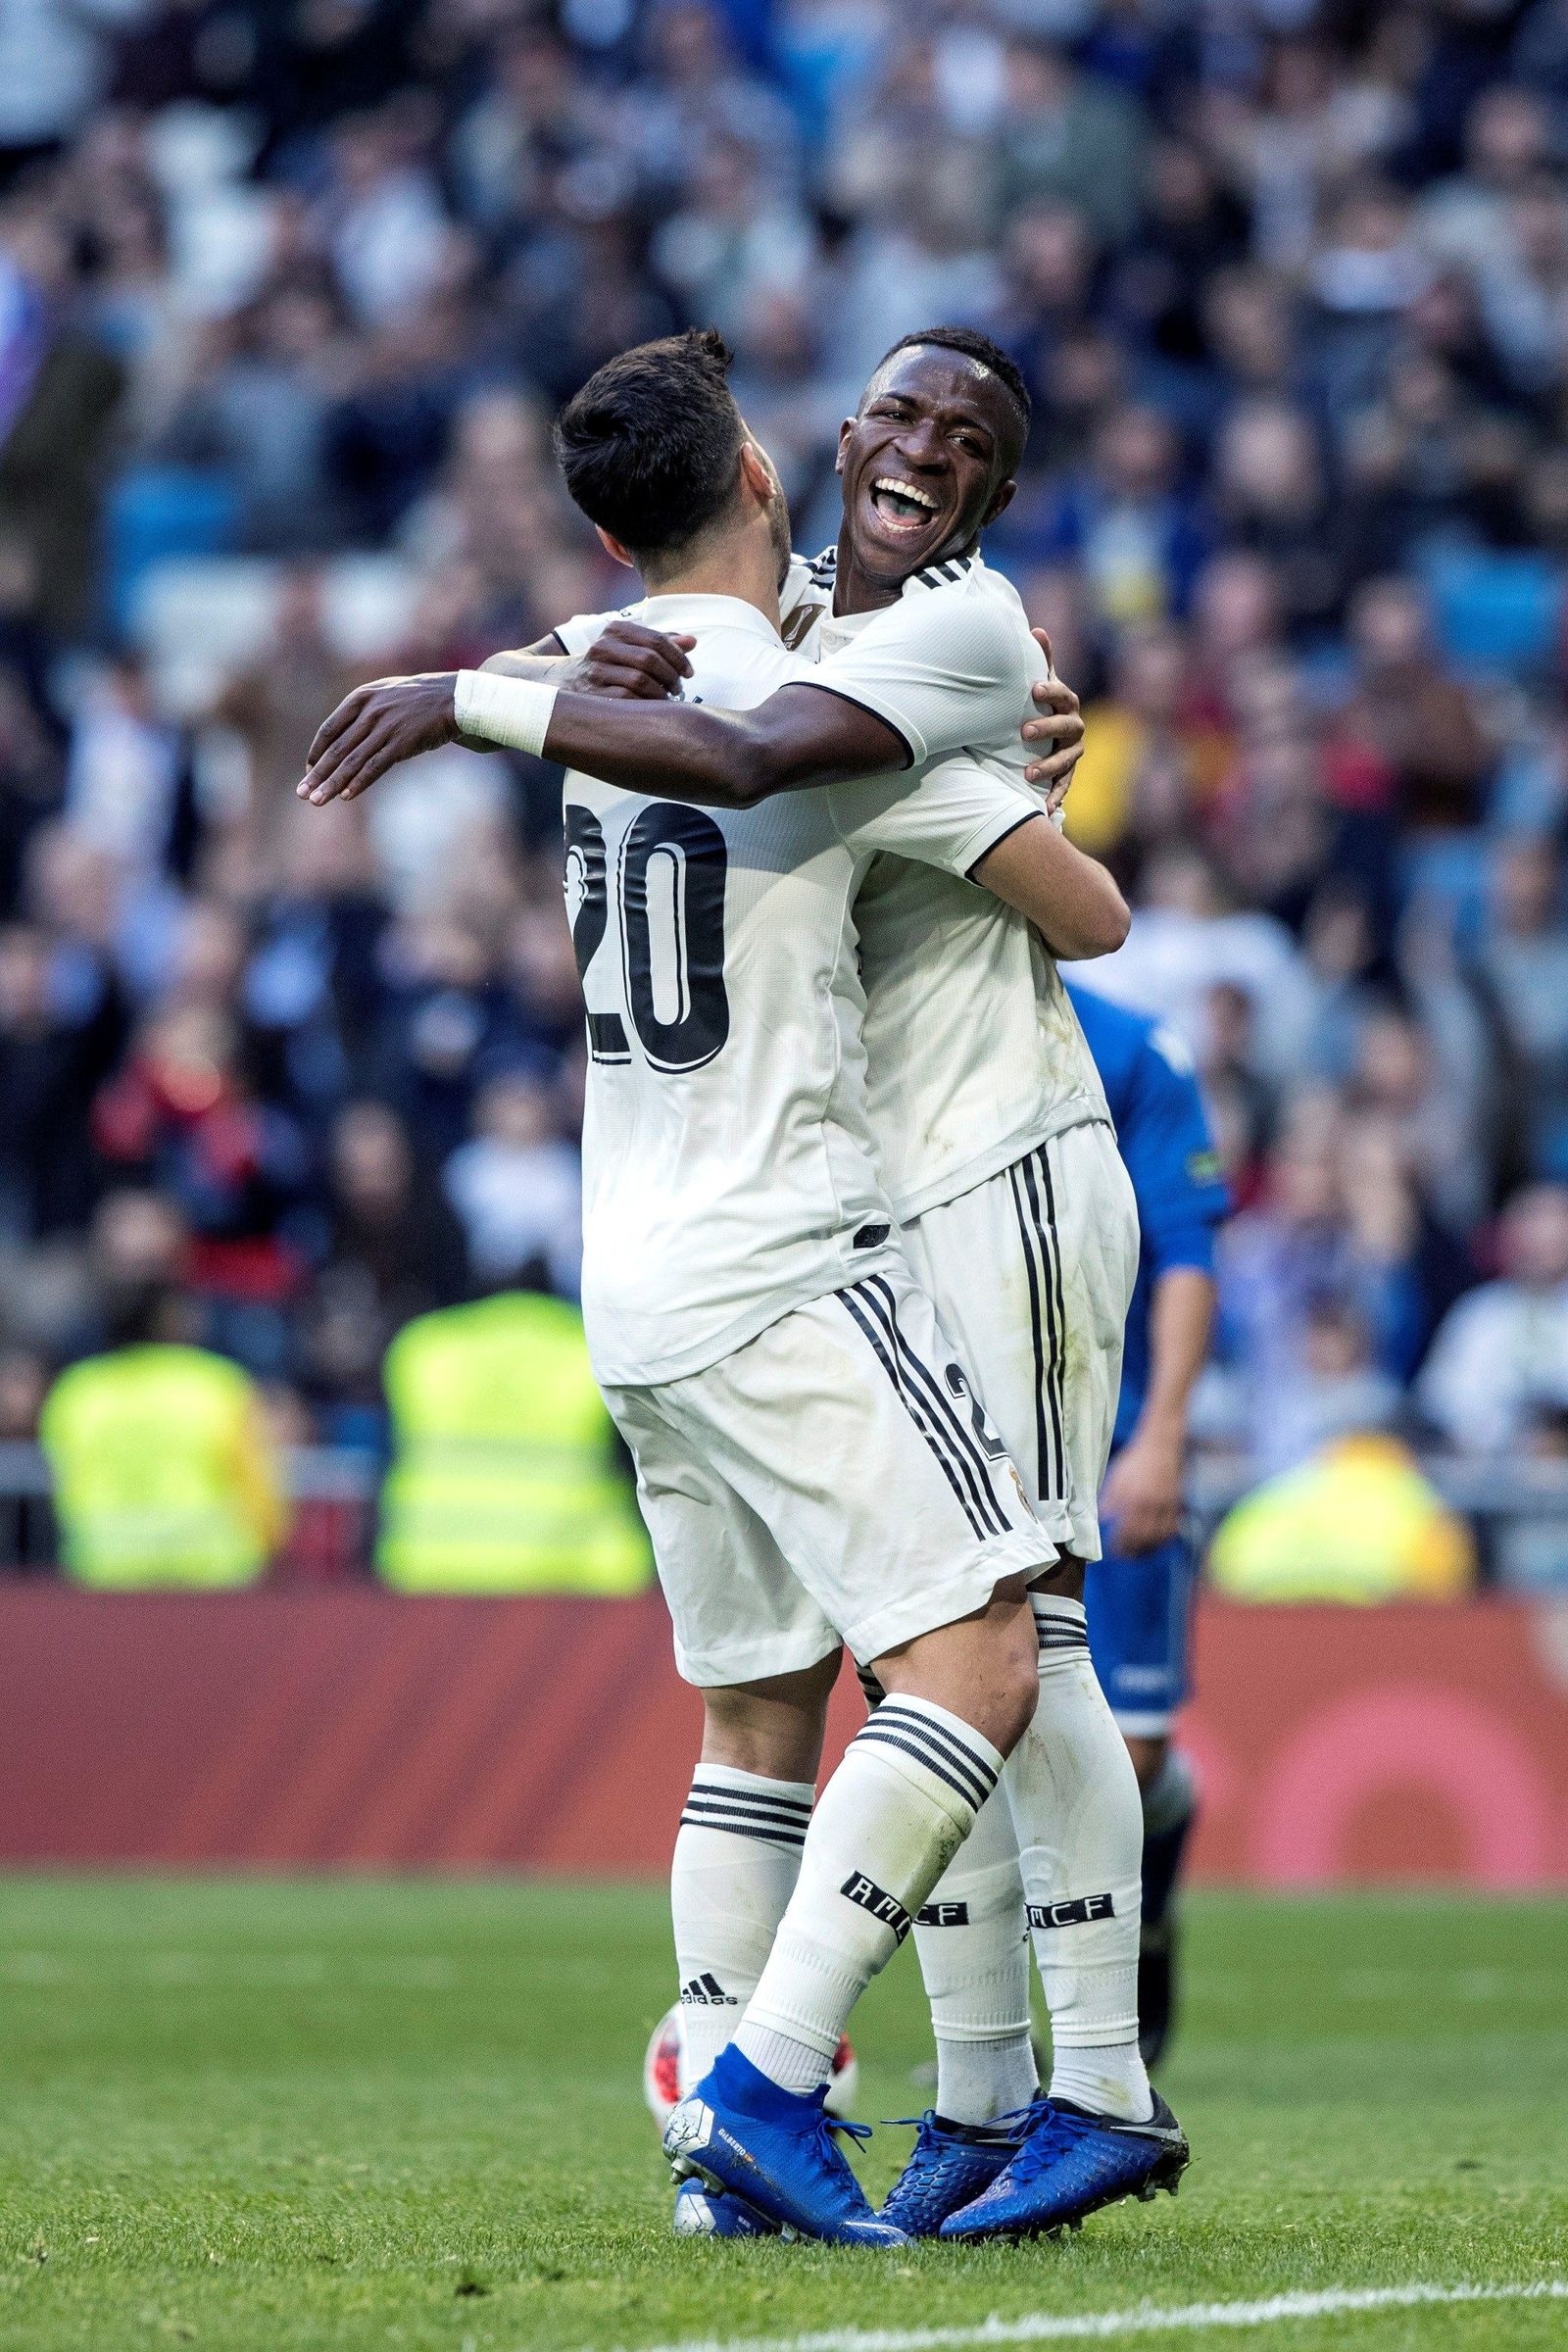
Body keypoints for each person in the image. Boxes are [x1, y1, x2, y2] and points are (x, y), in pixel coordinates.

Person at [304, 327, 1186, 2245]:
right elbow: (1081, 901)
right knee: (985, 1651)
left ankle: (963, 2101)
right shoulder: (802, 674)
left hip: (747, 1240)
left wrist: (471, 688)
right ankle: (836, 2093)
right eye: (897, 413)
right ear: (788, 462)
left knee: (798, 1701)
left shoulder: (655, 666)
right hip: (807, 1236)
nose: (922, 447)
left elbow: (686, 698)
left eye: (965, 432)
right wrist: (996, 782)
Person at [39, 1284, 286, 1589]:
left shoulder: (77, 1390)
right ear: (171, 1321)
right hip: (209, 1573)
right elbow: (256, 1485)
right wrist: (273, 1547)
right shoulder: (219, 1385)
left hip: (104, 1570)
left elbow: (62, 1474)